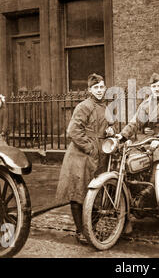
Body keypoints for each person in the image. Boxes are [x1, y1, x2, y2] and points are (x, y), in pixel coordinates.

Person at [55, 73, 115, 244]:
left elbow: (109, 125)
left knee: (95, 194)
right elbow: (73, 131)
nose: (99, 90)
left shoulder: (105, 107)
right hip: (80, 156)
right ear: (89, 90)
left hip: (98, 156)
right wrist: (89, 147)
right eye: (95, 88)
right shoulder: (83, 106)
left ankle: (91, 229)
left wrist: (111, 130)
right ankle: (80, 231)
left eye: (101, 87)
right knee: (78, 194)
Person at [115, 72, 159, 207]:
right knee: (132, 155)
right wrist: (122, 135)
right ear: (151, 88)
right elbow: (135, 122)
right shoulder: (146, 104)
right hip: (148, 138)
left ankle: (150, 191)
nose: (157, 89)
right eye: (154, 86)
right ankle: (134, 190)